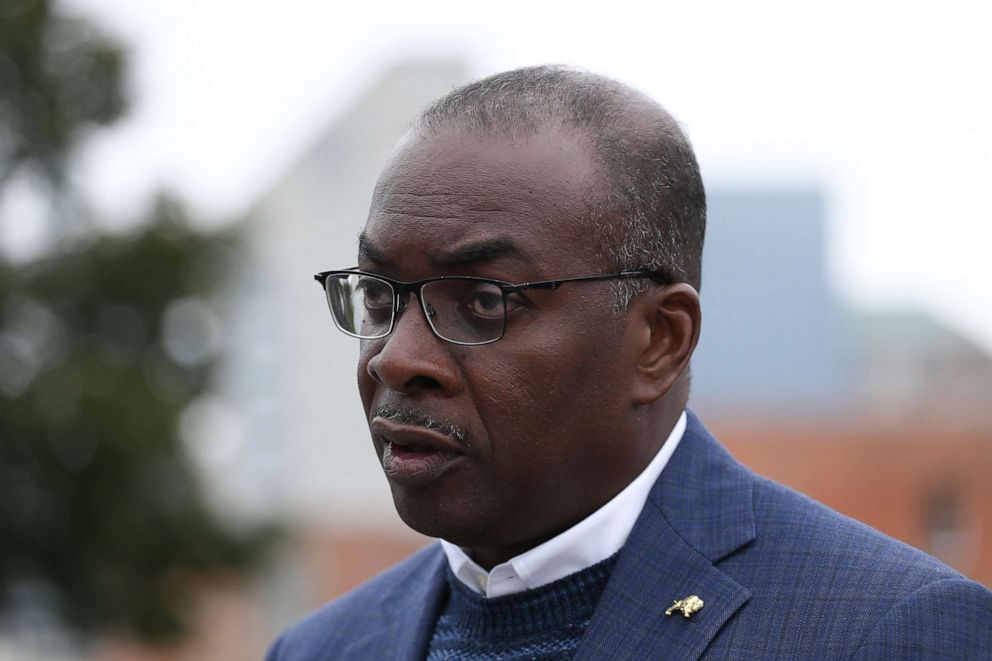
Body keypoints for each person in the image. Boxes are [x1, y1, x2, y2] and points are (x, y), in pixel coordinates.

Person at [266, 66, 992, 660]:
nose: (397, 359)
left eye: (484, 301)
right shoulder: (321, 646)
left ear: (659, 340)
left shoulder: (888, 631)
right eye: (379, 296)